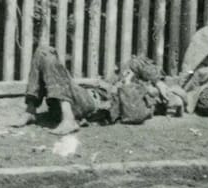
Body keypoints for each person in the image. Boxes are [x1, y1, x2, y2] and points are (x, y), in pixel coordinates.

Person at [14, 48, 186, 135]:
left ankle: (69, 120)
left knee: (47, 55)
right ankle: (30, 110)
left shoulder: (147, 104)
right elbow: (137, 62)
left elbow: (133, 115)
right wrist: (160, 83)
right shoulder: (147, 81)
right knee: (42, 52)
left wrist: (128, 86)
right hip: (75, 98)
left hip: (89, 105)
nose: (166, 95)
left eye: (170, 98)